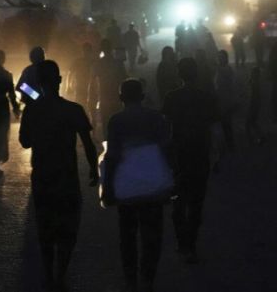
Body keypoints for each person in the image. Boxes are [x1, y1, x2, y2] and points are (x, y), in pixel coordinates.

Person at [19, 60, 98, 292]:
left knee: (45, 227)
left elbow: (24, 142)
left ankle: (47, 273)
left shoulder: (32, 110)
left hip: (42, 176)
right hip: (67, 176)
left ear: (39, 82)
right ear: (60, 80)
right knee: (67, 227)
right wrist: (94, 168)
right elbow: (88, 143)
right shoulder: (73, 110)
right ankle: (60, 274)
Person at [103, 79, 170, 292]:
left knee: (127, 235)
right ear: (142, 96)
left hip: (127, 186)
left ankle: (130, 279)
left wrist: (107, 186)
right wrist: (170, 180)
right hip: (153, 184)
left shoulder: (116, 121)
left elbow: (112, 155)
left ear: (121, 98)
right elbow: (166, 149)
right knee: (153, 234)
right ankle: (148, 278)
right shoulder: (155, 118)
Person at [162, 58, 220, 264]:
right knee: (196, 203)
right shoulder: (207, 98)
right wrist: (217, 155)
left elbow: (166, 129)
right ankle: (191, 245)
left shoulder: (171, 97)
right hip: (200, 155)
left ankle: (182, 243)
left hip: (178, 157)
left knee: (178, 202)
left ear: (179, 74)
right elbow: (215, 130)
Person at [89, 39, 127, 139]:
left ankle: (108, 143)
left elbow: (92, 82)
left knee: (106, 123)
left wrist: (91, 98)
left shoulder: (98, 64)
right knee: (118, 122)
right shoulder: (118, 63)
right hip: (117, 97)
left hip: (104, 97)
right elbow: (125, 79)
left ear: (101, 49)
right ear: (111, 49)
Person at [215, 50, 236, 156]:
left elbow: (229, 85)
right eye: (219, 57)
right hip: (221, 100)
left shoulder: (226, 70)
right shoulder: (220, 69)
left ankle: (230, 145)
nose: (219, 59)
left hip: (226, 101)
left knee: (226, 124)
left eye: (221, 57)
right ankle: (229, 145)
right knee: (224, 125)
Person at [68, 43, 95, 107]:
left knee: (82, 105)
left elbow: (70, 73)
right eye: (85, 50)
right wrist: (68, 86)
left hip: (89, 89)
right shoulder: (92, 62)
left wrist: (68, 86)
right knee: (82, 105)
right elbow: (70, 73)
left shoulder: (80, 62)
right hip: (82, 88)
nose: (86, 52)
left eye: (87, 50)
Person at [246, 66, 264, 145]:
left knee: (248, 123)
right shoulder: (256, 83)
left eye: (252, 73)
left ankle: (251, 139)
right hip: (255, 105)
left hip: (253, 105)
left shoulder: (254, 84)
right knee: (253, 123)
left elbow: (252, 96)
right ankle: (260, 136)